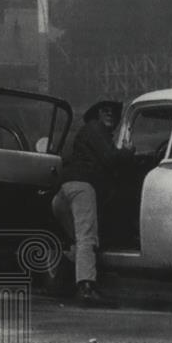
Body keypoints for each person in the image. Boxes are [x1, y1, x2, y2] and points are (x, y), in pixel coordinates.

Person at [52, 100, 132, 305]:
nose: (110, 114)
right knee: (87, 238)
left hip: (63, 193)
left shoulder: (89, 133)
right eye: (105, 111)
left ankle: (61, 280)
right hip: (81, 187)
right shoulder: (95, 129)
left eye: (113, 112)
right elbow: (110, 158)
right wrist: (128, 152)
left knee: (80, 241)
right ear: (96, 114)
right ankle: (86, 287)